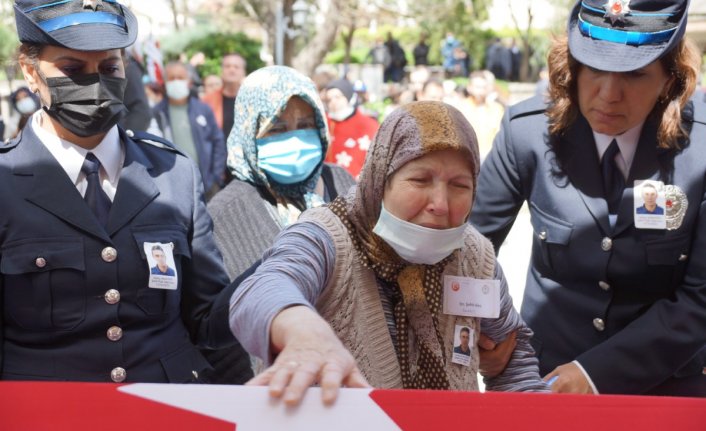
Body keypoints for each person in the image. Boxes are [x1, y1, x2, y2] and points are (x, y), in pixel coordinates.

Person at [229, 101, 548, 406]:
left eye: (460, 185)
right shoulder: (328, 236)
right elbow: (263, 288)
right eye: (420, 180)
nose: (441, 203)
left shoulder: (473, 254)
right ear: (380, 180)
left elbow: (513, 360)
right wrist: (302, 331)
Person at [471, 0, 706, 396]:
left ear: (670, 79)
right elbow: (467, 250)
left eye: (634, 74)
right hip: (542, 377)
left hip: (665, 387)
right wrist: (481, 333)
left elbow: (700, 300)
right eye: (595, 68)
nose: (609, 94)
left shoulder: (701, 148)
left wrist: (596, 373)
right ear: (573, 67)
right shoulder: (526, 133)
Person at [1, 0, 241, 383]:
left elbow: (208, 317)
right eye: (73, 69)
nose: (95, 82)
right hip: (47, 413)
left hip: (165, 407)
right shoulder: (5, 180)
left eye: (109, 67)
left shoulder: (173, 173)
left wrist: (275, 281)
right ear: (31, 72)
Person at [205, 66, 355, 384]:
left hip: (349, 378)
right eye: (276, 128)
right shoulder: (224, 213)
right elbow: (220, 328)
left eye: (305, 125)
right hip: (273, 390)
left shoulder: (342, 182)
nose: (295, 139)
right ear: (249, 131)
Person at [153, 61, 226, 199]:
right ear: (165, 82)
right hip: (173, 187)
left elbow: (218, 141)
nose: (176, 82)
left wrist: (215, 177)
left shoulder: (203, 109)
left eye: (180, 78)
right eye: (171, 78)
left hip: (207, 185)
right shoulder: (157, 113)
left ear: (189, 82)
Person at [323, 78, 379, 179]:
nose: (334, 102)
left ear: (347, 96)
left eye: (338, 97)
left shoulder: (369, 124)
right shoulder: (324, 123)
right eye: (329, 100)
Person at [202, 53, 247, 138]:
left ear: (243, 72)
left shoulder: (252, 99)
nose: (232, 70)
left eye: (236, 67)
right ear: (221, 71)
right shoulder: (208, 100)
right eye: (227, 66)